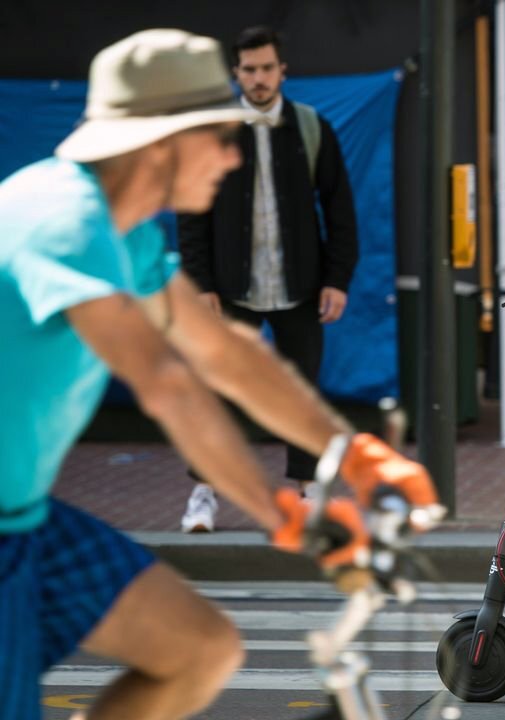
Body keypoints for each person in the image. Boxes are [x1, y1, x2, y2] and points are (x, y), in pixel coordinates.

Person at [0, 29, 441, 720]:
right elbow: (169, 384)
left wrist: (349, 455)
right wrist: (285, 518)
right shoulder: (69, 223)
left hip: (23, 520)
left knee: (199, 647)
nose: (234, 152)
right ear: (160, 143)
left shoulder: (127, 231)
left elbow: (225, 354)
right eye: (219, 134)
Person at [177, 25, 358, 532]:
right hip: (228, 287)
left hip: (298, 283)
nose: (258, 78)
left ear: (282, 70)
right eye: (249, 69)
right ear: (236, 74)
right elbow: (191, 212)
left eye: (266, 68)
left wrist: (336, 279)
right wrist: (201, 284)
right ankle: (204, 493)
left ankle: (301, 493)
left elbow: (340, 209)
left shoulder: (309, 127)